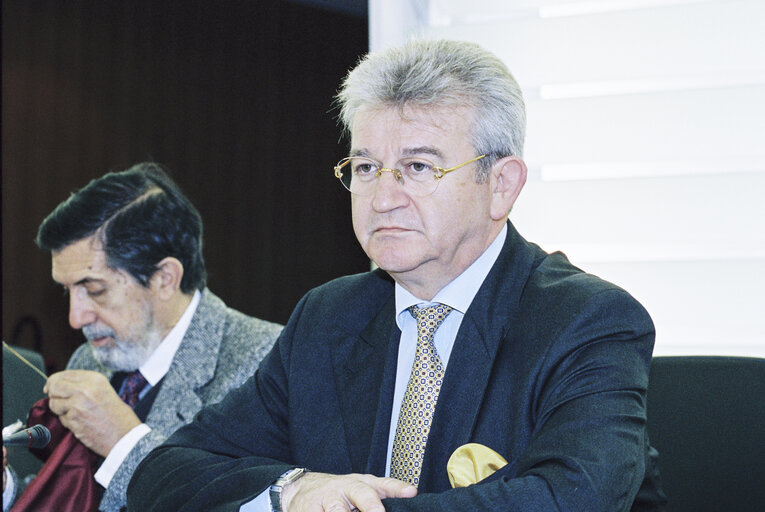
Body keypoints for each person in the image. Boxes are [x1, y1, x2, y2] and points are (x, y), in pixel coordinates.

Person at [127, 40, 666, 511]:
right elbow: (168, 471)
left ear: (501, 185)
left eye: (419, 167)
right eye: (365, 168)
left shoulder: (587, 322)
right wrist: (293, 491)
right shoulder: (329, 316)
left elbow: (572, 499)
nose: (383, 198)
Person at [3, 163, 282, 512]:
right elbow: (71, 495)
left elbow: (233, 503)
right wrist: (6, 487)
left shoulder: (267, 363)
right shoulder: (89, 360)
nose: (76, 319)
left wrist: (123, 441)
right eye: (68, 292)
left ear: (165, 278)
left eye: (95, 290)